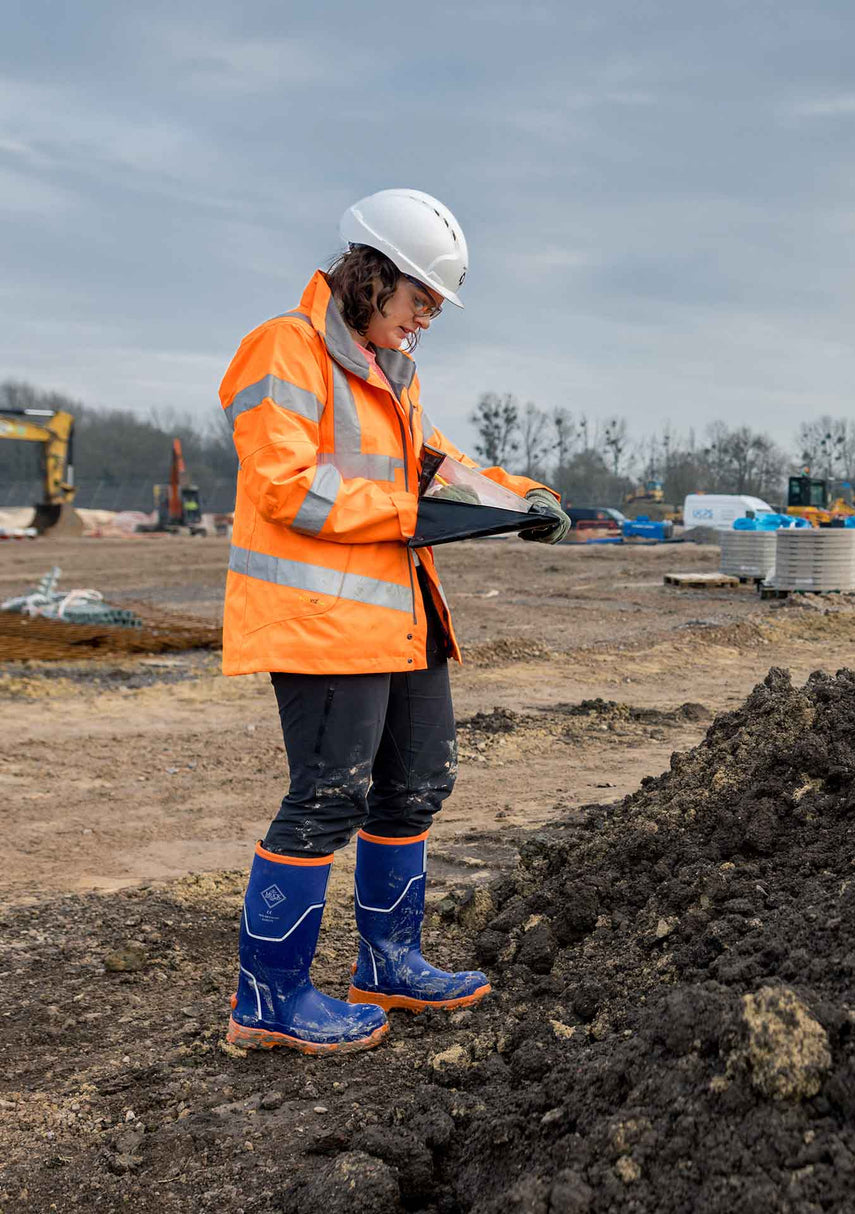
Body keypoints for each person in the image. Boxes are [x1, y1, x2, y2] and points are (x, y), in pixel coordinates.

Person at [217, 189, 570, 1055]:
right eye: (420, 300)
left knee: (416, 785)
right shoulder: (286, 348)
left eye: (435, 310)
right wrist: (412, 511)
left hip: (401, 622)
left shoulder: (390, 375)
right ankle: (267, 1000)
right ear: (371, 275)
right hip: (322, 626)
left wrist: (519, 497)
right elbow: (287, 486)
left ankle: (389, 964)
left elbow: (438, 465)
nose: (424, 321)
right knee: (327, 799)